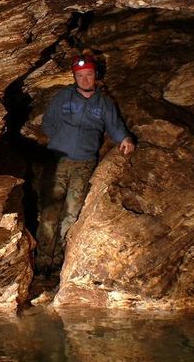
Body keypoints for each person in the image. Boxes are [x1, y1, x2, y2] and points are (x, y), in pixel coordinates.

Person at [36, 53, 135, 273]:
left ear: (95, 75)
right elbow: (48, 123)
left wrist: (125, 138)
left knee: (72, 213)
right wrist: (59, 141)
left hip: (84, 163)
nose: (84, 80)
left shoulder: (105, 103)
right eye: (80, 76)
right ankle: (42, 262)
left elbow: (115, 126)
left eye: (88, 75)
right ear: (74, 77)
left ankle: (60, 263)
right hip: (57, 160)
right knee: (50, 212)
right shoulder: (63, 97)